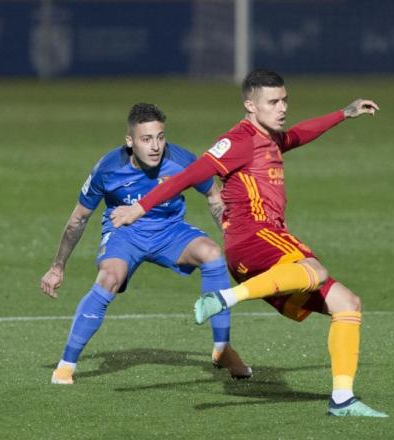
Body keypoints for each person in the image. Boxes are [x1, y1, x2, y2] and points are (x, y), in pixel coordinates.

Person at [110, 70, 386, 417]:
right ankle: (224, 298)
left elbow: (299, 135)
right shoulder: (238, 140)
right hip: (252, 238)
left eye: (284, 99)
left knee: (347, 304)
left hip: (268, 246)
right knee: (314, 269)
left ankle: (342, 399)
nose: (282, 107)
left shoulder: (270, 137)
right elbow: (189, 175)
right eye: (273, 102)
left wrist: (344, 114)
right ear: (250, 105)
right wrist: (139, 207)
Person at [40, 103, 251, 385]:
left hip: (170, 231)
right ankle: (66, 365)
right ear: (130, 141)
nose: (155, 147)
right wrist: (57, 267)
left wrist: (235, 240)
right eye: (146, 139)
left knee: (212, 254)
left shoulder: (183, 161)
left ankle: (223, 349)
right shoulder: (108, 168)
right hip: (124, 234)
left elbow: (215, 198)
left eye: (160, 137)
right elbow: (78, 219)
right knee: (108, 278)